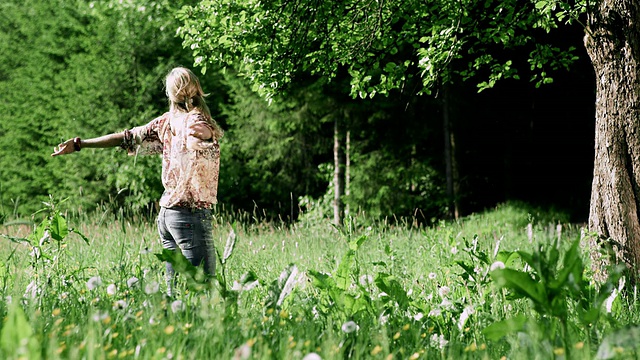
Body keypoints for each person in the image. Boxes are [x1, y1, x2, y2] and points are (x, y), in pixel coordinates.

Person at [52, 67, 223, 296]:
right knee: (204, 290)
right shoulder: (194, 118)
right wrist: (201, 135)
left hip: (167, 217)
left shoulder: (165, 122)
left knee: (176, 295)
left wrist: (80, 143)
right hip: (189, 214)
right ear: (195, 88)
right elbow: (197, 130)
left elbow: (126, 137)